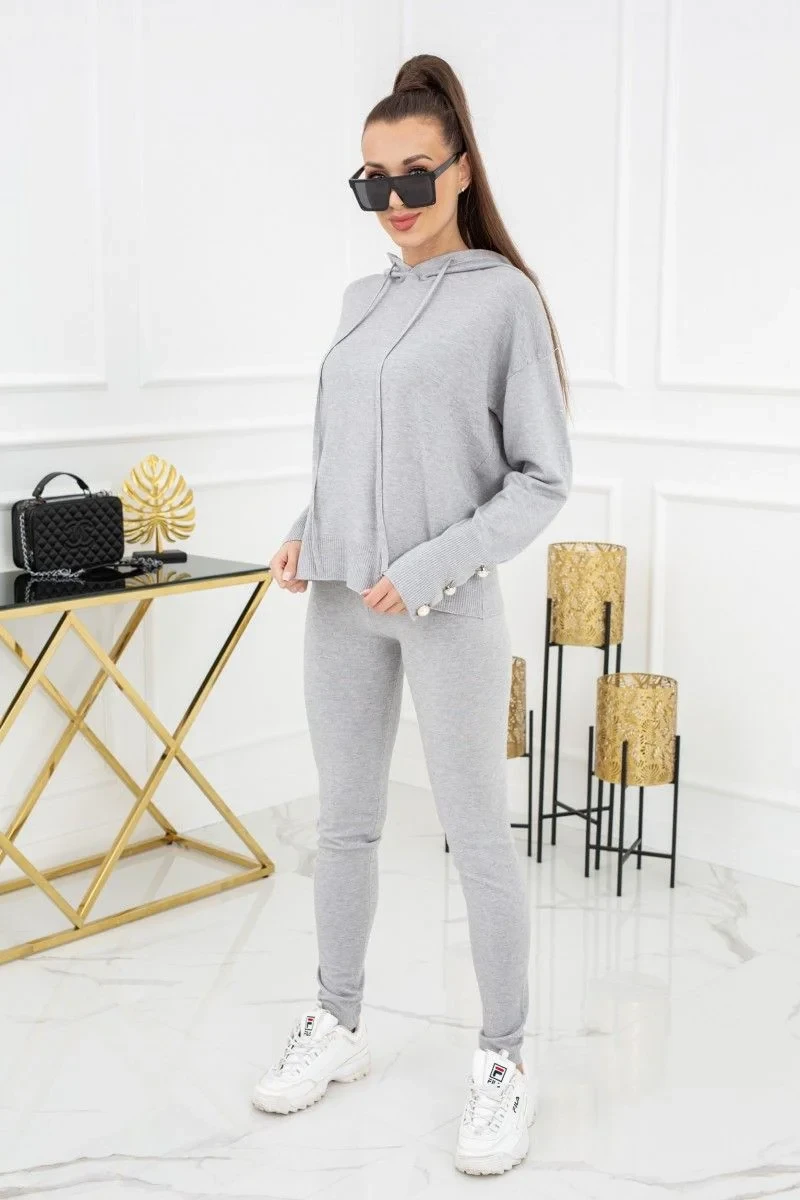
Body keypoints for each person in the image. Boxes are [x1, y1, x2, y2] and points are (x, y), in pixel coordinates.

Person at [252, 53, 573, 1177]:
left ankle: (504, 1062)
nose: (394, 201)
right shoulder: (362, 300)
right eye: (372, 181)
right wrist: (309, 527)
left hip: (447, 610)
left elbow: (541, 478)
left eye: (414, 174)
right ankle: (336, 1021)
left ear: (461, 169)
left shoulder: (501, 299)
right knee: (345, 825)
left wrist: (430, 564)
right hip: (341, 605)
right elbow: (350, 454)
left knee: (478, 839)